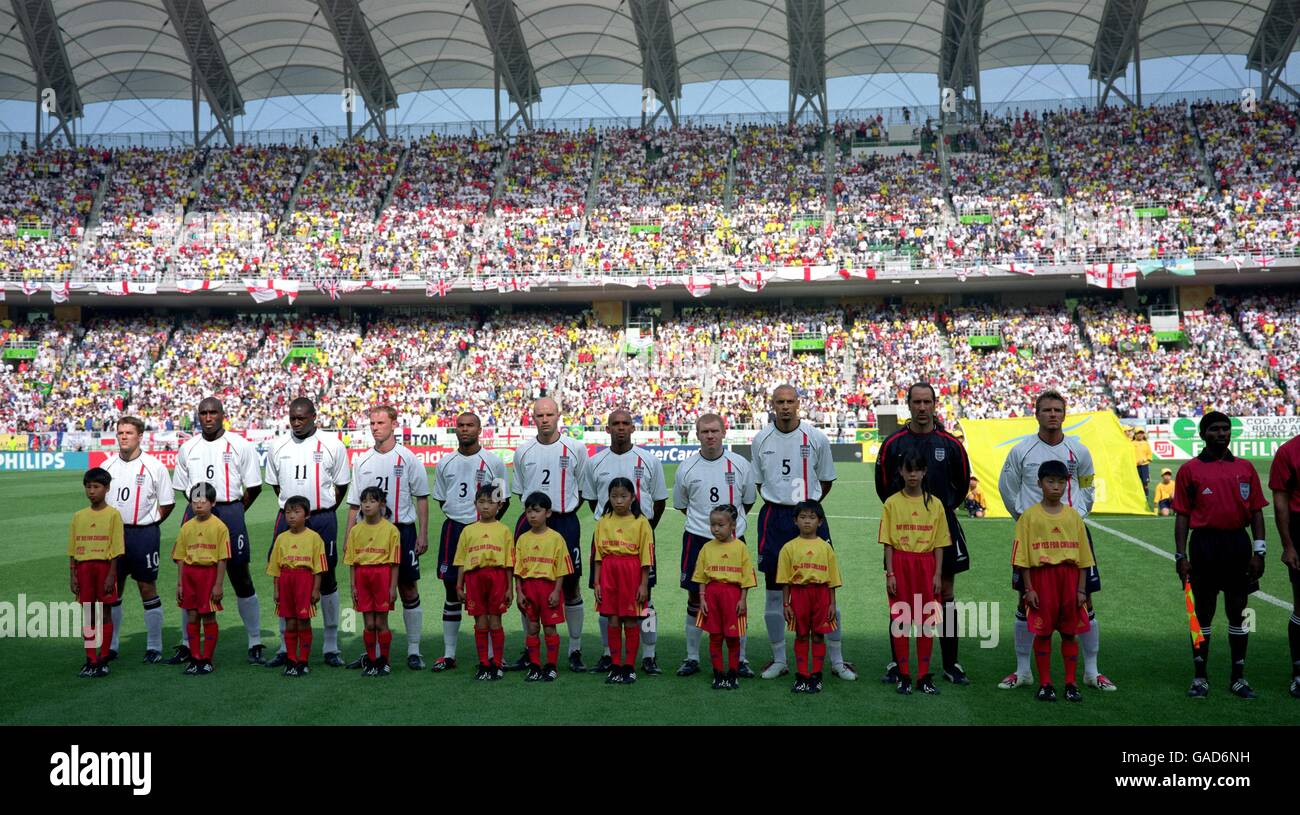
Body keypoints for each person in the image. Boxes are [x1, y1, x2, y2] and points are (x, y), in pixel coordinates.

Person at [997, 389, 1115, 692]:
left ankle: (1092, 672)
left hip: (1072, 534)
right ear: (1036, 414)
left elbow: (1088, 483)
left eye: (1058, 410)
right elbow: (1007, 487)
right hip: (1033, 535)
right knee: (1025, 598)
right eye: (1047, 409)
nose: (1052, 414)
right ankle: (1023, 671)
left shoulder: (1079, 451)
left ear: (1065, 414)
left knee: (1084, 598)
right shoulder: (1021, 450)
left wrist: (1080, 513)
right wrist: (1024, 519)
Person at [875, 383, 970, 685]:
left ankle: (951, 663)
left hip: (941, 527)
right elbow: (882, 484)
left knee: (944, 592)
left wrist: (939, 511)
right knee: (899, 596)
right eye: (916, 402)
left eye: (927, 401)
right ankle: (897, 663)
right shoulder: (893, 443)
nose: (922, 407)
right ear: (909, 405)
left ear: (934, 404)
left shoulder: (950, 444)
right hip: (904, 531)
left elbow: (963, 482)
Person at [751, 385, 847, 681]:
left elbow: (826, 480)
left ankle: (837, 660)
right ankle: (780, 659)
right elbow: (758, 482)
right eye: (780, 402)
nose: (785, 407)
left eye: (790, 401)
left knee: (824, 585)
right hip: (774, 518)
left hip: (809, 514)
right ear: (772, 405)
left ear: (799, 404)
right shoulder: (761, 438)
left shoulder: (815, 437)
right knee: (774, 590)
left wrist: (807, 511)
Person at [1175, 412, 1268, 699]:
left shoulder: (1245, 467)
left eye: (1225, 429)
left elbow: (1255, 512)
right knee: (1201, 613)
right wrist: (1180, 556)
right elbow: (1182, 516)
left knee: (1239, 612)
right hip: (1204, 546)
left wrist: (1259, 550)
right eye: (1214, 429)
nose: (1221, 433)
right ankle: (1200, 676)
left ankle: (1238, 677)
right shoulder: (1189, 470)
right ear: (1203, 434)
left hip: (1237, 545)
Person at [172, 397, 265, 665]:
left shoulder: (240, 445)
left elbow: (254, 486)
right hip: (196, 513)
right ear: (198, 416)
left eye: (213, 412)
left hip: (230, 510)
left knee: (240, 574)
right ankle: (188, 644)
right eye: (203, 413)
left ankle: (255, 641)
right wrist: (202, 509)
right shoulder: (188, 448)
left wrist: (235, 512)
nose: (208, 417)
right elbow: (182, 487)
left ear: (222, 414)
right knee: (190, 574)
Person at [264, 398, 351, 668]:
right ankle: (283, 645)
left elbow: (341, 485)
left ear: (315, 417)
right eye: (293, 418)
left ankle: (331, 645)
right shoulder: (277, 445)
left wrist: (320, 510)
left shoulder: (333, 445)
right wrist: (295, 512)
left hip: (322, 517)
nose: (297, 423)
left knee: (326, 576)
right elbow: (276, 486)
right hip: (288, 520)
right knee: (284, 574)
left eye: (302, 418)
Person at [344, 406, 431, 670]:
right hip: (368, 535)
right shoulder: (362, 460)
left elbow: (422, 497)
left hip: (401, 531)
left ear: (394, 424)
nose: (375, 427)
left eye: (381, 422)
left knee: (407, 588)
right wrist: (349, 537)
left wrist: (423, 534)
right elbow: (353, 504)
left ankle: (414, 650)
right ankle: (374, 654)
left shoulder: (408, 458)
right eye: (372, 423)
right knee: (369, 593)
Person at [582, 409, 668, 675]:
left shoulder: (649, 460)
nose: (621, 428)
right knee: (605, 599)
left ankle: (649, 655)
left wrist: (640, 528)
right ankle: (609, 654)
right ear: (607, 429)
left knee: (646, 601)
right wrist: (613, 523)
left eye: (626, 423)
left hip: (639, 537)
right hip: (607, 539)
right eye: (615, 424)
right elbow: (592, 499)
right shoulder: (594, 462)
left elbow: (660, 500)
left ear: (633, 428)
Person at [672, 413, 756, 677]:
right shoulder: (686, 467)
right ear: (697, 434)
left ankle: (740, 659)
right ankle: (692, 657)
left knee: (735, 599)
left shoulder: (740, 464)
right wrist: (706, 528)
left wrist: (728, 529)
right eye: (704, 431)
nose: (710, 436)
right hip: (697, 539)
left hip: (734, 542)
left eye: (714, 431)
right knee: (695, 597)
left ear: (724, 432)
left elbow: (749, 501)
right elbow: (682, 504)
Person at [511, 397, 589, 672]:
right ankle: (530, 648)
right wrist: (537, 515)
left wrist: (562, 512)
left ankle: (575, 649)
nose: (544, 420)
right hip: (531, 525)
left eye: (549, 415)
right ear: (533, 418)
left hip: (565, 522)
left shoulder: (576, 448)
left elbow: (584, 490)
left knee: (571, 585)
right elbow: (520, 491)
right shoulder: (523, 451)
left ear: (559, 416)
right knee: (531, 585)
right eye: (539, 415)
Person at [430, 411, 508, 672]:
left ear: (479, 429)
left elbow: (502, 500)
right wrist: (460, 516)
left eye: (470, 425)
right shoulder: (445, 462)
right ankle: (449, 654)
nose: (465, 430)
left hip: (483, 530)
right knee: (452, 590)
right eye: (461, 426)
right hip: (454, 529)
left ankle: (490, 656)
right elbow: (442, 498)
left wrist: (484, 526)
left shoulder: (493, 462)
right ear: (456, 430)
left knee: (487, 592)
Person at [1012, 460, 1094, 703]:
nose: (1055, 487)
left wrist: (1081, 589)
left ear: (1066, 484)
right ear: (1039, 484)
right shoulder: (1029, 517)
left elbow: (1083, 557)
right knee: (1043, 632)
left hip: (1069, 579)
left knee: (1070, 633)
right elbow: (1023, 556)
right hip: (1041, 578)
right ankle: (1045, 683)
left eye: (1060, 482)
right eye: (1050, 481)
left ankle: (1070, 683)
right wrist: (1028, 588)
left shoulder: (1073, 517)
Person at [102, 416, 174, 664]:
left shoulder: (155, 467)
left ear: (140, 436)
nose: (123, 437)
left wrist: (149, 523)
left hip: (144, 535)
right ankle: (111, 645)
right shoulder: (107, 466)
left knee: (147, 587)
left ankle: (154, 645)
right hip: (114, 537)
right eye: (120, 432)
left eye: (129, 433)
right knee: (113, 589)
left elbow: (167, 503)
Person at [880, 453, 948, 696]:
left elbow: (940, 543)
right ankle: (904, 675)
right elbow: (888, 542)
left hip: (926, 564)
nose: (912, 475)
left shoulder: (935, 504)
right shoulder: (891, 503)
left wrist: (938, 573)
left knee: (925, 622)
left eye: (917, 470)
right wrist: (890, 573)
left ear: (924, 472)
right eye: (908, 470)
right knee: (902, 620)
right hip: (900, 562)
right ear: (901, 472)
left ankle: (924, 676)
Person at [592, 477, 654, 684]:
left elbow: (646, 556)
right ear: (608, 498)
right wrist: (597, 583)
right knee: (612, 619)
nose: (618, 501)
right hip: (609, 572)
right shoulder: (603, 522)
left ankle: (629, 666)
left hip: (631, 572)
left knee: (631, 618)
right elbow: (598, 555)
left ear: (632, 498)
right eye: (614, 496)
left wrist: (644, 584)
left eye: (623, 496)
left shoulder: (641, 522)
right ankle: (616, 664)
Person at [777, 499, 842, 694]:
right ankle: (802, 675)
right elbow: (784, 580)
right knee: (802, 634)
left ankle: (816, 675)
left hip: (821, 594)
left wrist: (832, 603)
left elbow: (832, 579)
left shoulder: (826, 548)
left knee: (819, 635)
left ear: (820, 522)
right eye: (803, 517)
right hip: (799, 594)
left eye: (812, 517)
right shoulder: (789, 548)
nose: (807, 521)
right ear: (795, 521)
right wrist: (786, 604)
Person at [692, 504, 757, 690]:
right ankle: (718, 674)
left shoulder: (740, 547)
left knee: (732, 637)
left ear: (733, 525)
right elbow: (701, 577)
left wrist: (743, 599)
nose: (716, 529)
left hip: (733, 596)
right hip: (712, 595)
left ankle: (733, 673)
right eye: (712, 525)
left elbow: (746, 577)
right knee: (715, 637)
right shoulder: (706, 547)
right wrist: (702, 599)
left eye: (720, 525)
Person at [454, 485, 515, 681]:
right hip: (474, 579)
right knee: (480, 621)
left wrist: (510, 589)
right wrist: (458, 586)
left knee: (495, 620)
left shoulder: (504, 531)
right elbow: (461, 561)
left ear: (500, 505)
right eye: (481, 502)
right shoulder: (468, 531)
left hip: (497, 578)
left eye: (491, 502)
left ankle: (497, 663)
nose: (486, 507)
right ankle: (483, 663)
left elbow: (509, 563)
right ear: (475, 504)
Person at [69, 467, 123, 678]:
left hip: (104, 567)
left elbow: (117, 548)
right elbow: (72, 549)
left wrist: (112, 575)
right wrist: (72, 574)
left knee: (106, 612)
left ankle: (103, 658)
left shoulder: (113, 515)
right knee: (89, 613)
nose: (92, 491)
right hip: (83, 568)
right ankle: (90, 659)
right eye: (88, 487)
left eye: (96, 487)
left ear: (107, 488)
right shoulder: (78, 516)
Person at [513, 491, 573, 682]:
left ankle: (551, 666)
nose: (531, 515)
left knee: (549, 628)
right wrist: (519, 591)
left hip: (549, 589)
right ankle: (535, 665)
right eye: (528, 512)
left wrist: (557, 591)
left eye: (536, 511)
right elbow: (518, 569)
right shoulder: (522, 539)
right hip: (529, 588)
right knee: (532, 628)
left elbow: (562, 569)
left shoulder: (556, 538)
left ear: (547, 513)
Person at [172, 483, 230, 676]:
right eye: (194, 500)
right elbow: (180, 557)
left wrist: (218, 585)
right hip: (189, 575)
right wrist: (180, 583)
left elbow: (222, 559)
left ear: (212, 503)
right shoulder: (186, 527)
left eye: (203, 500)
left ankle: (207, 659)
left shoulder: (220, 527)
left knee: (208, 615)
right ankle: (195, 657)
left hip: (209, 575)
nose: (198, 504)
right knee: (192, 615)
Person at [267, 496, 327, 677]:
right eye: (288, 512)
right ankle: (292, 660)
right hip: (286, 581)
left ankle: (303, 661)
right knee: (290, 623)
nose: (291, 516)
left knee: (303, 621)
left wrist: (316, 589)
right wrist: (276, 589)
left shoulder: (315, 538)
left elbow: (319, 568)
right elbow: (276, 568)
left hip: (304, 580)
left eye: (296, 512)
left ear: (306, 515)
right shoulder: (281, 539)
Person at [344, 486, 400, 677]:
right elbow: (352, 562)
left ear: (381, 504)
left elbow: (394, 563)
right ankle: (372, 660)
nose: (367, 505)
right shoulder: (355, 531)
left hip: (382, 576)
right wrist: (353, 586)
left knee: (381, 622)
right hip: (362, 577)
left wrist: (393, 587)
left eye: (372, 501)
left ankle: (384, 661)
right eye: (364, 501)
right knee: (369, 623)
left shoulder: (391, 530)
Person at [1268, 431, 1300, 698]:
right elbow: (1280, 502)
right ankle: (1298, 673)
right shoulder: (1289, 451)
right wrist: (1288, 545)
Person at [1133, 428, 1153, 498]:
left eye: (1142, 433)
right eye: (1139, 433)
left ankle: (1146, 497)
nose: (1140, 434)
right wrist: (1135, 463)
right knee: (1135, 483)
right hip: (1134, 467)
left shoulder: (1146, 443)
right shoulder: (1131, 443)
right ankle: (1137, 498)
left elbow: (1149, 455)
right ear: (1135, 434)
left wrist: (1144, 460)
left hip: (1144, 466)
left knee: (1145, 483)